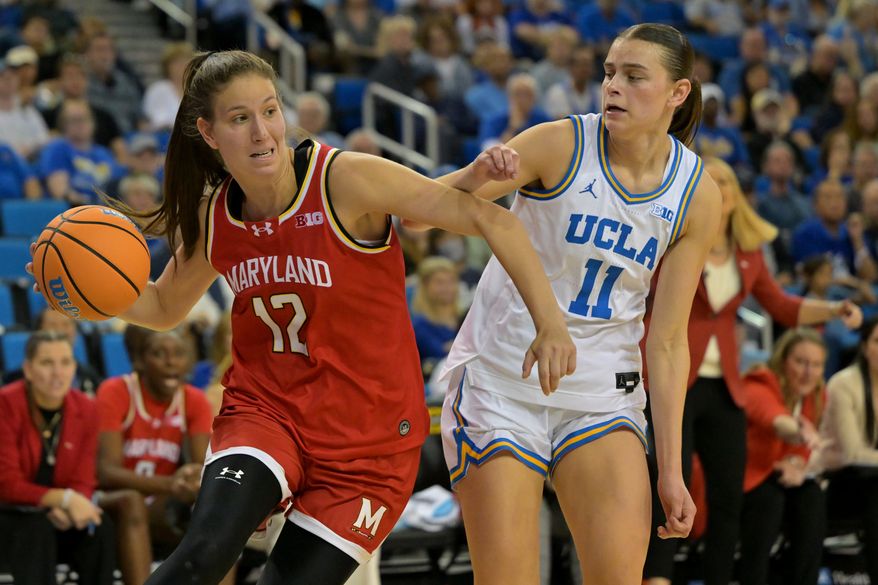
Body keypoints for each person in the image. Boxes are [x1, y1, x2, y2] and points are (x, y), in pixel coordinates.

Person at [30, 49, 574, 585]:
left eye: (269, 111)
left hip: (370, 443)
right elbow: (164, 306)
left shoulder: (345, 180)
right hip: (268, 412)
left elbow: (493, 221)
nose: (262, 131)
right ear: (211, 133)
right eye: (240, 119)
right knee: (201, 557)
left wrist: (551, 325)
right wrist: (78, 294)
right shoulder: (215, 215)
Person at [411, 22, 721, 585]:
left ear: (678, 93)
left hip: (602, 392)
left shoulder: (696, 192)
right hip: (504, 381)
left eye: (633, 76)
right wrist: (474, 175)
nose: (613, 88)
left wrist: (670, 471)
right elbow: (413, 215)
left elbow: (669, 340)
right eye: (608, 74)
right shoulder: (558, 142)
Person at [641, 157, 862, 585]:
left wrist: (833, 308)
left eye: (723, 180)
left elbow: (781, 305)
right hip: (673, 378)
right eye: (708, 180)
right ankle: (658, 578)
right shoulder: (675, 239)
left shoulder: (749, 253)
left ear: (735, 197)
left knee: (728, 496)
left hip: (724, 384)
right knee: (671, 484)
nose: (716, 187)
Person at [95, 325, 215, 584]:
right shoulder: (116, 391)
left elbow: (199, 467)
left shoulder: (194, 400)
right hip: (111, 500)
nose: (171, 361)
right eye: (159, 353)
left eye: (178, 353)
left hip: (161, 502)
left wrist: (191, 477)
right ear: (140, 359)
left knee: (214, 507)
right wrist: (171, 484)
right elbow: (106, 472)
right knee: (132, 501)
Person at [0, 331, 116, 585]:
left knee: (99, 526)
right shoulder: (5, 404)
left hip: (56, 514)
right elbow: (7, 484)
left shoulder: (86, 407)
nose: (57, 372)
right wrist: (64, 499)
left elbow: (84, 478)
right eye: (47, 363)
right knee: (36, 528)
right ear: (28, 369)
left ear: (75, 367)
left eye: (65, 362)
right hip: (9, 515)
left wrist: (72, 504)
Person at [739, 328, 827, 585]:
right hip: (747, 477)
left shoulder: (818, 395)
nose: (808, 372)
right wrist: (801, 433)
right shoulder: (759, 382)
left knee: (812, 497)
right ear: (782, 360)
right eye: (801, 362)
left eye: (817, 365)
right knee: (769, 501)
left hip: (781, 477)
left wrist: (797, 463)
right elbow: (775, 420)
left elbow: (805, 454)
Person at [821, 316, 878, 584]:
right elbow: (852, 454)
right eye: (877, 341)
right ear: (864, 346)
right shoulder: (843, 383)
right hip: (836, 481)